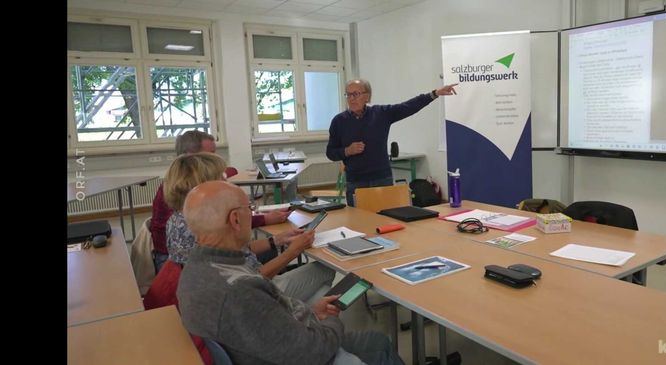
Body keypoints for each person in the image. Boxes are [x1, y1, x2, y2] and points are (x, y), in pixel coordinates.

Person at [178, 181, 404, 365]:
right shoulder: (240, 290)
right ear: (235, 220)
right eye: (249, 208)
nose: (252, 214)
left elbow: (267, 323)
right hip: (300, 354)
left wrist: (310, 311)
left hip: (270, 344)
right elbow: (312, 353)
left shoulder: (197, 267)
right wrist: (331, 321)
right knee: (377, 343)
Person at [162, 153, 334, 304]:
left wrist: (276, 240)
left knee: (322, 294)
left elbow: (235, 252)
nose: (227, 184)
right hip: (253, 293)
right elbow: (254, 280)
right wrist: (293, 251)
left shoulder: (181, 219)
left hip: (232, 293)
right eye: (222, 180)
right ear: (206, 186)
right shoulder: (202, 227)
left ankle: (301, 317)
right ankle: (300, 318)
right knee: (324, 270)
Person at [150, 130, 290, 273]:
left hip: (189, 266)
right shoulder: (188, 196)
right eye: (211, 154)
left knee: (268, 251)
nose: (215, 157)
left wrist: (274, 239)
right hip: (172, 263)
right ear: (192, 157)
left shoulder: (183, 189)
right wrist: (265, 221)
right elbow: (226, 225)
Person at [326, 79, 458, 206]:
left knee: (386, 218)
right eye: (348, 94)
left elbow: (408, 107)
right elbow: (330, 153)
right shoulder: (339, 121)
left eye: (356, 94)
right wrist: (347, 151)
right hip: (356, 181)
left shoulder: (381, 114)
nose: (351, 98)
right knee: (359, 221)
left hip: (382, 178)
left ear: (367, 96)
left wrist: (434, 94)